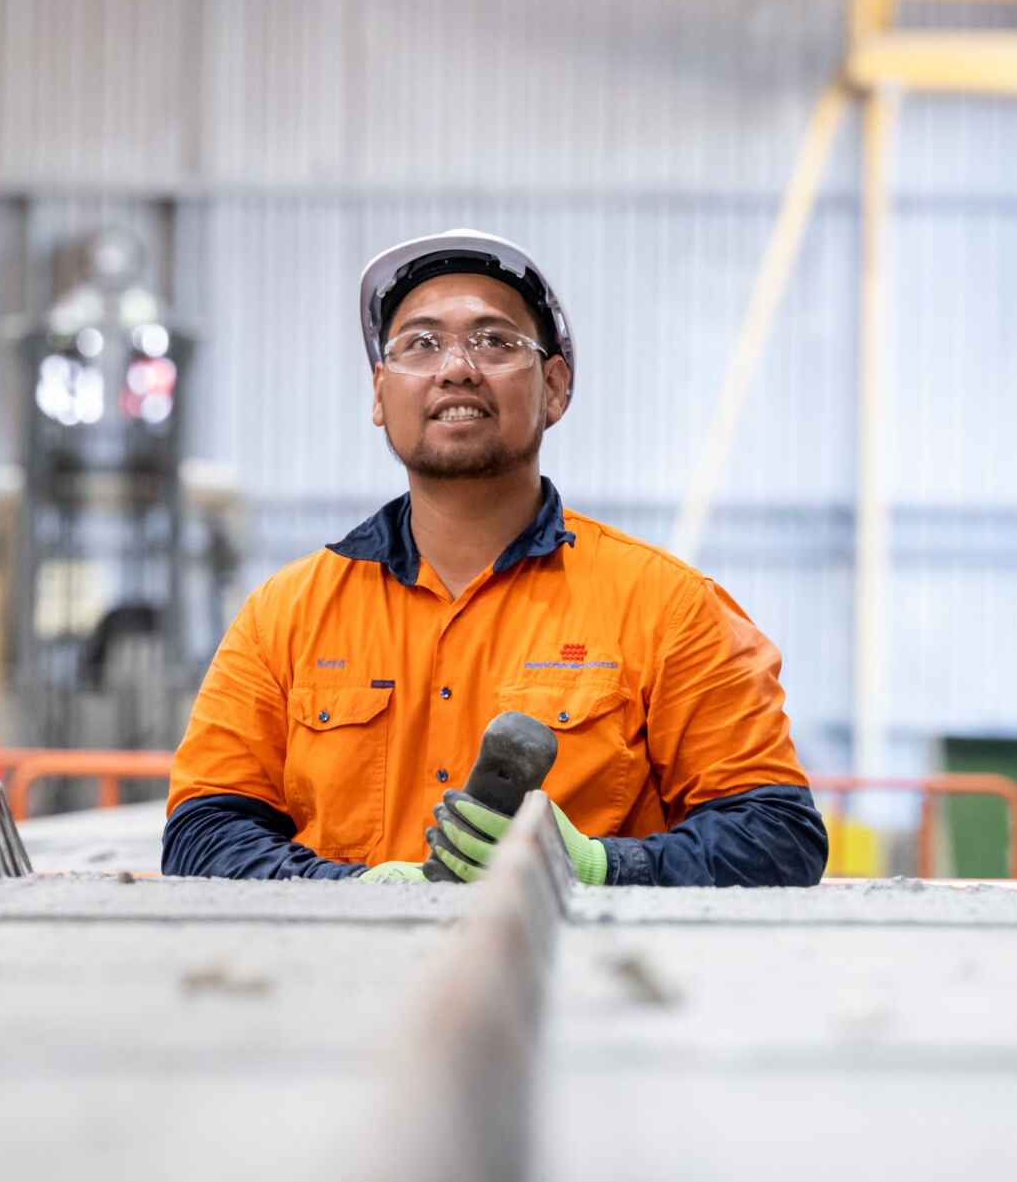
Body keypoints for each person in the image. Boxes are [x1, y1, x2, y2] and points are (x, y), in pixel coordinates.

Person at [162, 230, 828, 886]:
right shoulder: (285, 617)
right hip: (347, 980)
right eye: (420, 343)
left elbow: (776, 833)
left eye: (495, 340)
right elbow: (202, 831)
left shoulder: (666, 607)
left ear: (556, 387)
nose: (456, 366)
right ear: (378, 392)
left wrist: (597, 866)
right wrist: (343, 891)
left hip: (578, 982)